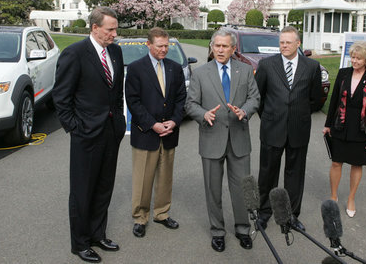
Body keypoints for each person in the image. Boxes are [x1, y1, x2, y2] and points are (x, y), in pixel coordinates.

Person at [53, 6, 126, 263]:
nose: (114, 34)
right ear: (94, 28)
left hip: (111, 132)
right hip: (85, 133)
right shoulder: (74, 53)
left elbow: (117, 93)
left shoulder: (115, 52)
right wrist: (75, 127)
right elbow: (61, 97)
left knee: (104, 187)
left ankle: (98, 234)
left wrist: (119, 122)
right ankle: (80, 243)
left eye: (115, 29)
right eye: (110, 29)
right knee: (83, 190)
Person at [185, 28, 260, 253]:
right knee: (213, 189)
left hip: (239, 138)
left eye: (224, 46)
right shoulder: (200, 73)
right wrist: (203, 115)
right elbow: (190, 104)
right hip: (211, 137)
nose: (219, 50)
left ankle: (243, 229)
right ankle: (217, 231)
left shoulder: (246, 71)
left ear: (233, 49)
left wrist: (244, 111)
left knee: (242, 188)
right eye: (216, 45)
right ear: (212, 47)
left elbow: (254, 98)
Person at [255, 25, 322, 231]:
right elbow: (259, 96)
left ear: (298, 44)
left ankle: (290, 216)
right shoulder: (267, 65)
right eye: (281, 42)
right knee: (267, 174)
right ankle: (264, 212)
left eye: (288, 42)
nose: (284, 46)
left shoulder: (312, 67)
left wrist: (298, 115)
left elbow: (316, 99)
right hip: (272, 128)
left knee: (295, 175)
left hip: (298, 130)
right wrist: (270, 116)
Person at [125, 27, 187, 238]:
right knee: (143, 179)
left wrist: (175, 121)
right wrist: (153, 124)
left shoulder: (175, 68)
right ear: (148, 45)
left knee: (165, 178)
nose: (164, 50)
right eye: (160, 46)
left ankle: (162, 213)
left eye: (166, 45)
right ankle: (140, 217)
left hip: (169, 133)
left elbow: (181, 98)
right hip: (146, 133)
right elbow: (133, 101)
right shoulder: (135, 69)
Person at [323, 41, 366, 218]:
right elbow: (333, 101)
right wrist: (327, 124)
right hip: (340, 124)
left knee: (357, 164)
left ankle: (351, 198)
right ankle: (333, 196)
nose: (354, 61)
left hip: (362, 127)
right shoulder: (343, 74)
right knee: (336, 162)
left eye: (359, 58)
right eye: (353, 57)